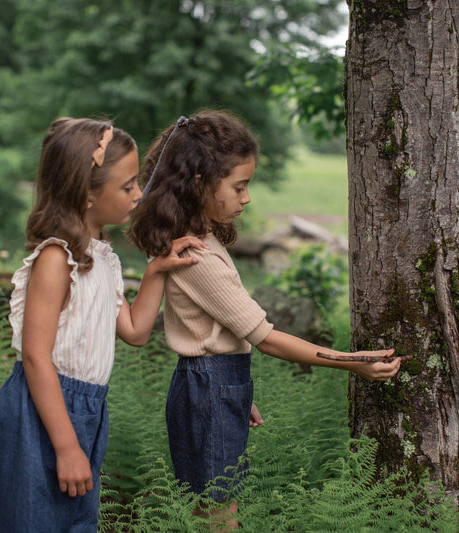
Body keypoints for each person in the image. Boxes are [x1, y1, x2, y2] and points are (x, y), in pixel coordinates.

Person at [127, 110, 403, 529]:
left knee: (209, 507)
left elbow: (213, 333)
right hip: (208, 388)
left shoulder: (199, 240)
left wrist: (234, 394)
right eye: (239, 186)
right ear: (200, 183)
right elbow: (266, 338)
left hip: (211, 385)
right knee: (219, 514)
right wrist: (353, 363)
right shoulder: (197, 256)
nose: (247, 198)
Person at [0, 117, 207, 532]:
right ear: (86, 194)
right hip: (38, 414)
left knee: (75, 523)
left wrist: (156, 271)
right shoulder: (56, 259)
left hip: (87, 411)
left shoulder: (102, 258)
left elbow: (136, 331)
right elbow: (35, 356)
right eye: (127, 186)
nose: (139, 195)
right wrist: (66, 446)